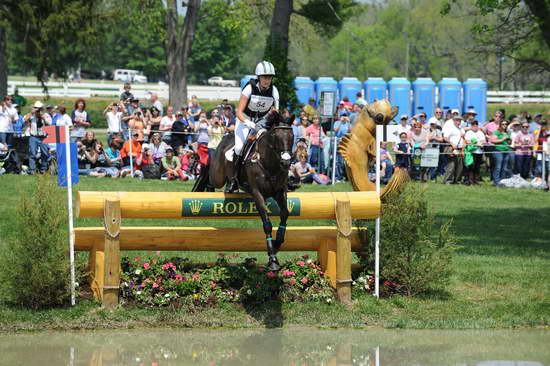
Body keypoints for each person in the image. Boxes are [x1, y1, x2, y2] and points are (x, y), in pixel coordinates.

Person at [227, 61, 279, 192]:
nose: (267, 80)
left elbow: (276, 112)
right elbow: (239, 112)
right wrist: (249, 123)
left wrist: (268, 123)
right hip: (244, 120)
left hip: (262, 122)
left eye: (269, 77)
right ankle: (234, 180)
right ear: (258, 77)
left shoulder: (274, 91)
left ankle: (279, 178)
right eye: (264, 77)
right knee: (239, 148)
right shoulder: (249, 88)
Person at [24, 101, 52, 174]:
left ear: (42, 108)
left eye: (39, 108)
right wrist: (32, 112)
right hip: (34, 137)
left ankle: (43, 169)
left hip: (44, 137)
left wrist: (42, 116)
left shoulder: (46, 115)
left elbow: (50, 123)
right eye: (36, 108)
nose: (38, 110)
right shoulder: (32, 115)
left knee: (45, 153)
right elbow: (24, 119)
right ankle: (32, 170)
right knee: (32, 153)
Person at [442, 114, 464, 184]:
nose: (458, 122)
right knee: (451, 166)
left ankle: (457, 180)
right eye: (457, 120)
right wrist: (452, 143)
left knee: (460, 166)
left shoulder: (461, 129)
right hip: (452, 149)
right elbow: (445, 138)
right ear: (454, 121)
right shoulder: (450, 128)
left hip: (460, 149)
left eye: (459, 120)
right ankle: (448, 180)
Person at [490, 120, 511, 186]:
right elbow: (492, 140)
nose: (504, 125)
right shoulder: (497, 132)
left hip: (506, 151)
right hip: (498, 151)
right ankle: (496, 181)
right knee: (498, 167)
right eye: (503, 124)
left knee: (504, 167)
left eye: (505, 124)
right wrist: (502, 139)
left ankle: (502, 181)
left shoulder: (507, 132)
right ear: (500, 125)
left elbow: (508, 142)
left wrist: (509, 141)